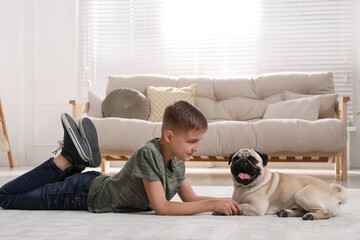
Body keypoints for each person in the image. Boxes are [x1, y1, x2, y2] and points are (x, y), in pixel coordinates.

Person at [0, 101, 242, 216]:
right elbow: (162, 207)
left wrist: (228, 200)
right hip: (81, 194)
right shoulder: (150, 154)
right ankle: (66, 160)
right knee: (4, 197)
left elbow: (191, 199)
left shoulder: (177, 162)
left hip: (95, 183)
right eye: (191, 142)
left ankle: (75, 161)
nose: (196, 149)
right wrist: (211, 205)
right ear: (169, 136)